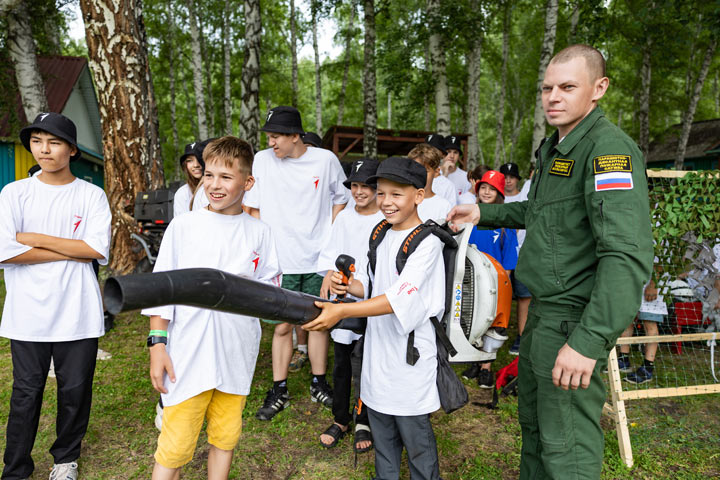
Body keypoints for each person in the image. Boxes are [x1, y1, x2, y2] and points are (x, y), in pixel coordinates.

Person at [447, 44, 653, 479]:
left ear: (599, 88)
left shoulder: (608, 151)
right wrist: (485, 212)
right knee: (537, 431)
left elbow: (625, 255)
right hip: (541, 316)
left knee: (567, 448)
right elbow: (543, 213)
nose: (553, 97)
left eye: (567, 87)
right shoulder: (557, 146)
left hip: (573, 321)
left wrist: (587, 341)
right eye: (546, 88)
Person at [142, 136, 282, 480]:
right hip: (188, 354)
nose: (214, 186)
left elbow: (270, 289)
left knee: (225, 436)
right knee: (174, 446)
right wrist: (157, 344)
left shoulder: (260, 233)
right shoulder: (185, 226)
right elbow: (163, 290)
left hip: (236, 354)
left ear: (247, 182)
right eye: (209, 176)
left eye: (225, 177)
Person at [304, 156, 444, 480]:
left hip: (410, 359)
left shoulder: (428, 243)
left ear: (418, 196)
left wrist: (341, 310)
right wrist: (348, 286)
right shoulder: (380, 233)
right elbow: (372, 285)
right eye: (381, 193)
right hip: (377, 353)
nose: (386, 202)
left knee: (416, 441)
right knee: (383, 438)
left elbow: (398, 298)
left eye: (397, 194)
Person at [0, 112, 112, 480]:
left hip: (77, 311)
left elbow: (96, 249)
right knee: (25, 394)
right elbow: (6, 251)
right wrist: (70, 249)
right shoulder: (14, 193)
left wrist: (33, 237)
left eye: (54, 142)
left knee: (75, 391)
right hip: (27, 313)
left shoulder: (91, 195)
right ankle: (16, 467)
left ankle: (66, 460)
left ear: (72, 149)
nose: (44, 150)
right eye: (36, 141)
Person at [243, 106, 349, 421]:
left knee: (318, 323)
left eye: (276, 136)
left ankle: (319, 382)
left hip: (318, 261)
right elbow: (253, 209)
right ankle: (279, 388)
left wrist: (330, 242)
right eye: (269, 136)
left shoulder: (326, 160)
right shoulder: (262, 160)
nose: (271, 142)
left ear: (295, 136)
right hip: (279, 262)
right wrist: (264, 250)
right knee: (282, 326)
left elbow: (341, 199)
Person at [316, 158, 383, 453]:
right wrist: (331, 278)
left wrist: (362, 287)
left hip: (372, 300)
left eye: (365, 186)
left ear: (377, 188)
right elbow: (331, 253)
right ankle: (341, 417)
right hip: (342, 298)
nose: (358, 191)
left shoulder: (384, 219)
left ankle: (364, 419)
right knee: (342, 362)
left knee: (368, 362)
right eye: (354, 185)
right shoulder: (343, 217)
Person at [461, 171, 518, 388]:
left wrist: (504, 286)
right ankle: (475, 361)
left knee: (494, 323)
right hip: (471, 280)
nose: (486, 192)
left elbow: (509, 260)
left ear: (500, 193)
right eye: (483, 187)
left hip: (496, 281)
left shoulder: (505, 223)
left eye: (492, 189)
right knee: (473, 318)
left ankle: (486, 367)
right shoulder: (469, 218)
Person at [498, 162, 532, 356]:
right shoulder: (498, 198)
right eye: (505, 177)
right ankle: (496, 330)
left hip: (521, 254)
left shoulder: (523, 197)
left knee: (523, 297)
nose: (509, 180)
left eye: (512, 177)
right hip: (498, 254)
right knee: (499, 294)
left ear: (518, 180)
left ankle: (521, 336)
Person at [408, 143, 453, 224]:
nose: (419, 174)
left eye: (425, 171)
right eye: (415, 169)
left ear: (436, 172)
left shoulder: (444, 206)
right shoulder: (403, 201)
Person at [423, 134, 458, 206]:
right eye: (426, 150)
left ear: (443, 155)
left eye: (434, 150)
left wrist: (444, 175)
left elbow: (450, 212)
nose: (429, 153)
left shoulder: (448, 185)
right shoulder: (413, 175)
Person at [173, 142, 203, 217]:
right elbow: (180, 225)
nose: (196, 165)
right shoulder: (182, 194)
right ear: (185, 165)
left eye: (199, 159)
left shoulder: (216, 189)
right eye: (190, 160)